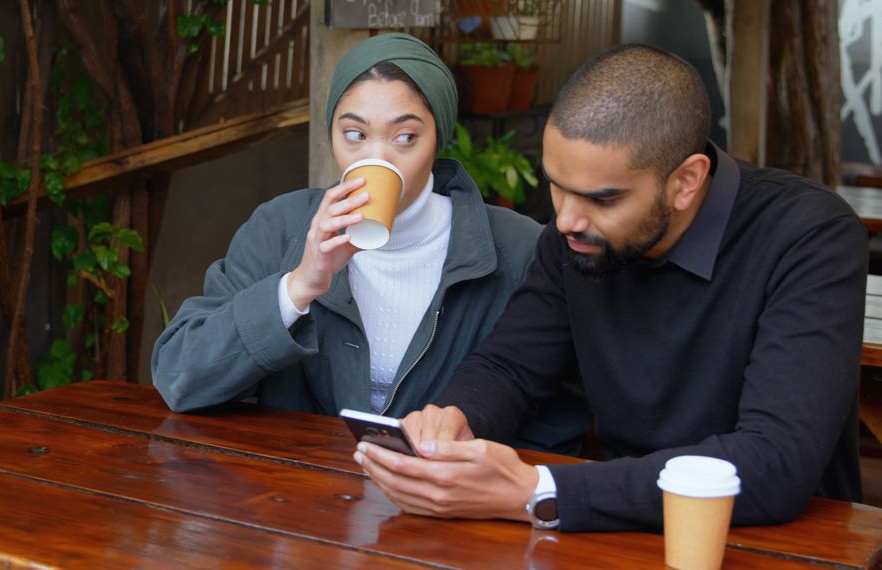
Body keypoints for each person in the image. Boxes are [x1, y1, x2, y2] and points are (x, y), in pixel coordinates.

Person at [354, 43, 867, 532]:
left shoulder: (809, 236)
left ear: (686, 181)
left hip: (785, 539)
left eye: (602, 199)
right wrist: (455, 420)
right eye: (556, 184)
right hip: (618, 526)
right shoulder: (575, 238)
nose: (566, 219)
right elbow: (510, 366)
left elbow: (775, 462)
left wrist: (537, 491)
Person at [151, 33, 582, 443]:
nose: (376, 157)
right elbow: (180, 377)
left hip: (441, 506)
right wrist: (298, 286)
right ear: (332, 136)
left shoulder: (516, 248)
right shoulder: (281, 226)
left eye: (405, 137)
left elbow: (558, 417)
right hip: (295, 499)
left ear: (438, 140)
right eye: (354, 135)